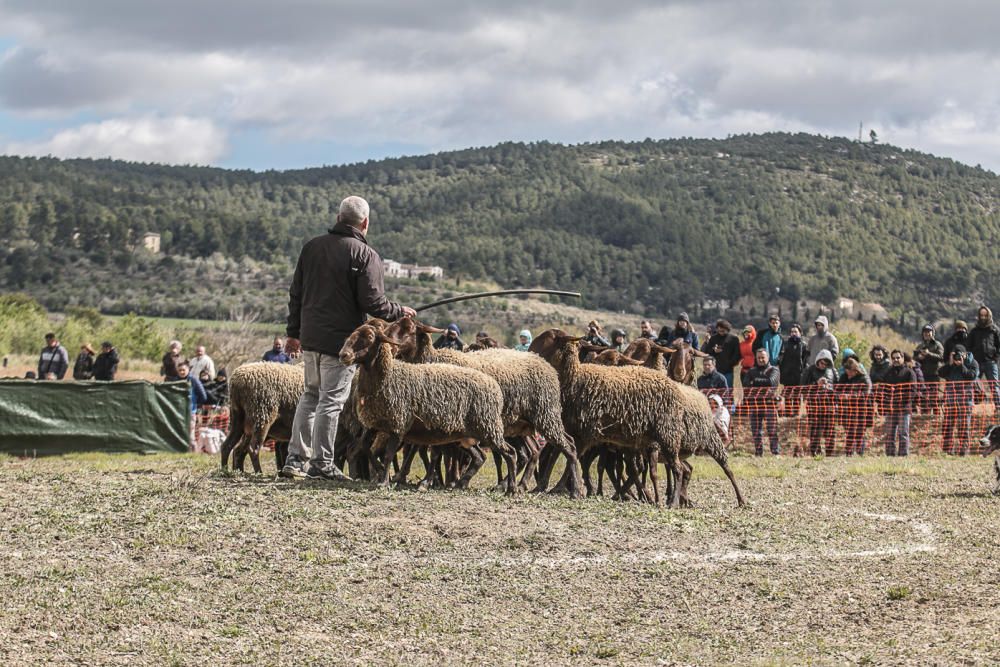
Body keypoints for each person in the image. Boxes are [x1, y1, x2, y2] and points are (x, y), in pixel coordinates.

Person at [282, 195, 414, 481]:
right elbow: (374, 303)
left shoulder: (312, 247)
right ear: (365, 223)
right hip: (343, 344)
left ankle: (295, 460)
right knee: (331, 402)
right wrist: (400, 311)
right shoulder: (366, 255)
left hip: (311, 337)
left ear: (339, 217)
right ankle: (322, 464)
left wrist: (293, 333)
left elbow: (296, 294)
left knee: (310, 397)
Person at [938, 345, 979, 455]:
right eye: (955, 354)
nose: (957, 357)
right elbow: (940, 372)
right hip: (951, 401)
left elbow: (972, 376)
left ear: (965, 354)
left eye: (960, 354)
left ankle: (963, 451)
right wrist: (950, 364)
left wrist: (962, 365)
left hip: (965, 401)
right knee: (947, 426)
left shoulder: (972, 363)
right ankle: (947, 451)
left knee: (963, 427)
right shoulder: (951, 364)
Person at [744, 348, 780, 456]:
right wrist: (762, 384)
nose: (760, 360)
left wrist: (754, 381)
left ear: (768, 358)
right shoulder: (751, 371)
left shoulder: (774, 370)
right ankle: (758, 453)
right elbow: (746, 385)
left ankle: (775, 452)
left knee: (772, 430)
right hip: (755, 404)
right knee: (756, 431)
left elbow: (771, 382)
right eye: (758, 357)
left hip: (769, 403)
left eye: (763, 357)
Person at [802, 349, 837, 456]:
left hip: (829, 405)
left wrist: (829, 387)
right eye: (822, 362)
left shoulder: (833, 371)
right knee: (815, 429)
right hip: (814, 405)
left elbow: (838, 387)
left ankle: (829, 453)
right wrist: (816, 384)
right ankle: (814, 452)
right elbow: (803, 386)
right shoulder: (809, 370)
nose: (823, 365)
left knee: (830, 430)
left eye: (826, 363)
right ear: (818, 360)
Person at [882, 350, 917, 456]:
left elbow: (913, 390)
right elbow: (884, 388)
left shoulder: (909, 372)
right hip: (890, 407)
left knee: (903, 433)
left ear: (902, 358)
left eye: (898, 358)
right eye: (894, 358)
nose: (896, 360)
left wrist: (903, 401)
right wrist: (886, 401)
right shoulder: (888, 372)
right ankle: (890, 454)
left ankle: (903, 454)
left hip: (904, 408)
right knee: (889, 433)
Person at [837, 358, 872, 456]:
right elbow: (838, 391)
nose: (849, 375)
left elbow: (867, 393)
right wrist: (841, 396)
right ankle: (849, 454)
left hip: (861, 410)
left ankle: (860, 454)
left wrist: (851, 396)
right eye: (847, 372)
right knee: (849, 432)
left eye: (850, 373)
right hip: (847, 411)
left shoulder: (864, 378)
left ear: (855, 370)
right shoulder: (843, 377)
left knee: (860, 433)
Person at [968, 306, 1000, 407]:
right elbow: (968, 346)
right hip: (976, 362)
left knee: (994, 385)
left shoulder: (994, 330)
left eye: (985, 315)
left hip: (991, 362)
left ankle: (998, 407)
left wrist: (996, 357)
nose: (983, 317)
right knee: (973, 383)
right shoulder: (974, 331)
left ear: (989, 315)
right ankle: (973, 405)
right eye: (981, 315)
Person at [778, 323, 809, 417]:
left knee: (797, 395)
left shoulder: (804, 345)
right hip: (787, 373)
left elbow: (805, 359)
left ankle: (796, 413)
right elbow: (781, 357)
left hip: (798, 374)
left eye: (795, 331)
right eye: (792, 332)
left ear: (800, 333)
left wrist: (803, 372)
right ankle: (787, 413)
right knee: (787, 395)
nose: (793, 333)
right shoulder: (785, 344)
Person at [914, 324, 944, 414]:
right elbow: (914, 360)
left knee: (934, 397)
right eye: (925, 332)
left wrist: (929, 354)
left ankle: (936, 417)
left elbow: (942, 357)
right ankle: (925, 416)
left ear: (933, 333)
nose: (927, 334)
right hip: (922, 376)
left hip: (934, 374)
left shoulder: (937, 344)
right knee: (924, 398)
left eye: (929, 332)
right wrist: (919, 357)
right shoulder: (920, 346)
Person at [704, 319, 741, 388]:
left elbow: (737, 354)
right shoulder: (713, 338)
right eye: (719, 330)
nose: (721, 332)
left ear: (727, 329)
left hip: (728, 371)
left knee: (728, 391)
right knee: (715, 390)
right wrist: (714, 351)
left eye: (723, 330)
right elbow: (707, 351)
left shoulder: (733, 339)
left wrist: (730, 364)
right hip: (715, 370)